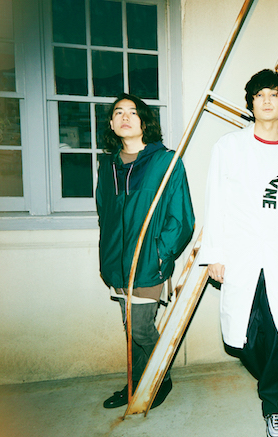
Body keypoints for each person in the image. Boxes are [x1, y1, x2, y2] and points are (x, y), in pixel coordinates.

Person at [200, 69, 278, 437]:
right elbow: (215, 202)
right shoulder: (229, 147)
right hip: (241, 253)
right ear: (251, 103)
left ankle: (275, 406)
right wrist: (214, 254)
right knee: (244, 334)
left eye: (273, 95)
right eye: (259, 94)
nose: (266, 101)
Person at [96, 93, 195, 409]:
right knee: (131, 331)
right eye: (118, 112)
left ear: (144, 122)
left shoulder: (166, 161)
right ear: (111, 123)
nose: (125, 117)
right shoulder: (107, 165)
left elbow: (182, 218)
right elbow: (104, 213)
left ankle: (159, 380)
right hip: (116, 263)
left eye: (133, 112)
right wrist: (107, 253)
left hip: (148, 261)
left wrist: (160, 252)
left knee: (140, 328)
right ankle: (136, 384)